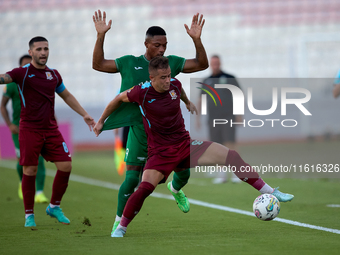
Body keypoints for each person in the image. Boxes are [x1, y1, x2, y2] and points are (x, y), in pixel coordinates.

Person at [93, 56, 294, 237]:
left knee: (230, 155)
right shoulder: (141, 92)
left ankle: (269, 191)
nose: (167, 81)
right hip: (160, 152)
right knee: (144, 188)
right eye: (162, 77)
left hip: (185, 144)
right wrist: (102, 121)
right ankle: (121, 227)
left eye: (169, 76)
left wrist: (187, 102)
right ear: (152, 78)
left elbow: (178, 90)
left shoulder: (175, 84)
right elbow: (118, 99)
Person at [92, 9, 209, 235]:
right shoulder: (129, 63)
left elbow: (201, 64)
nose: (162, 49)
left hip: (168, 135)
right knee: (131, 179)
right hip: (139, 131)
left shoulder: (170, 63)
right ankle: (119, 221)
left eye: (165, 45)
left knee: (184, 173)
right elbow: (98, 65)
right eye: (157, 45)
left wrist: (197, 40)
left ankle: (176, 189)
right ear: (146, 44)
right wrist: (100, 36)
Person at [0, 36, 96, 227]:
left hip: (50, 129)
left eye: (46, 49)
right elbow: (4, 78)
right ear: (31, 52)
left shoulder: (54, 74)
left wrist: (84, 114)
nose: (43, 52)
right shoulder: (22, 73)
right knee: (30, 169)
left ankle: (54, 206)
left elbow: (66, 95)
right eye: (39, 49)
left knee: (66, 166)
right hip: (29, 129)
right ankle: (29, 215)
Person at [1, 54, 48, 203]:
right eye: (25, 65)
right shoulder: (12, 84)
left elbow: (48, 105)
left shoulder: (40, 83)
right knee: (22, 160)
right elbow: (2, 105)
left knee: (39, 160)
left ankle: (39, 192)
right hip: (19, 128)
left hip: (38, 128)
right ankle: (23, 184)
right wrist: (10, 125)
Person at [197, 55, 242, 184]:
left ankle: (235, 173)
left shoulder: (230, 78)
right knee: (217, 146)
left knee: (230, 144)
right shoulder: (206, 80)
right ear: (211, 64)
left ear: (220, 63)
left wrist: (239, 114)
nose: (215, 66)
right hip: (213, 118)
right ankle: (221, 174)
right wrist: (198, 118)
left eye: (217, 63)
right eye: (213, 63)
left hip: (228, 116)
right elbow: (201, 100)